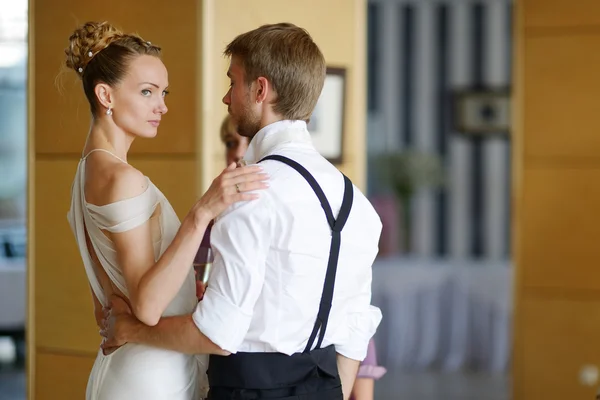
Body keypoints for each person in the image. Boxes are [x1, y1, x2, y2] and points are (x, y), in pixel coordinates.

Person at [102, 23, 383, 400]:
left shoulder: (250, 191)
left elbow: (217, 334)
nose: (225, 97)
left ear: (260, 90)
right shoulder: (357, 202)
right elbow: (355, 330)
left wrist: (131, 331)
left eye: (232, 82)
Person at [65, 21, 268, 400]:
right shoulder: (121, 177)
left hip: (129, 366)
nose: (162, 106)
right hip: (150, 376)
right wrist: (203, 211)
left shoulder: (86, 172)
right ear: (105, 95)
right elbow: (146, 306)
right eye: (147, 92)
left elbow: (105, 308)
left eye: (163, 92)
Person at [217, 115, 387, 400]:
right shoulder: (225, 215)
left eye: (244, 142)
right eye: (230, 143)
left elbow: (355, 316)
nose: (237, 151)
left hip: (258, 375)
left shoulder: (266, 205)